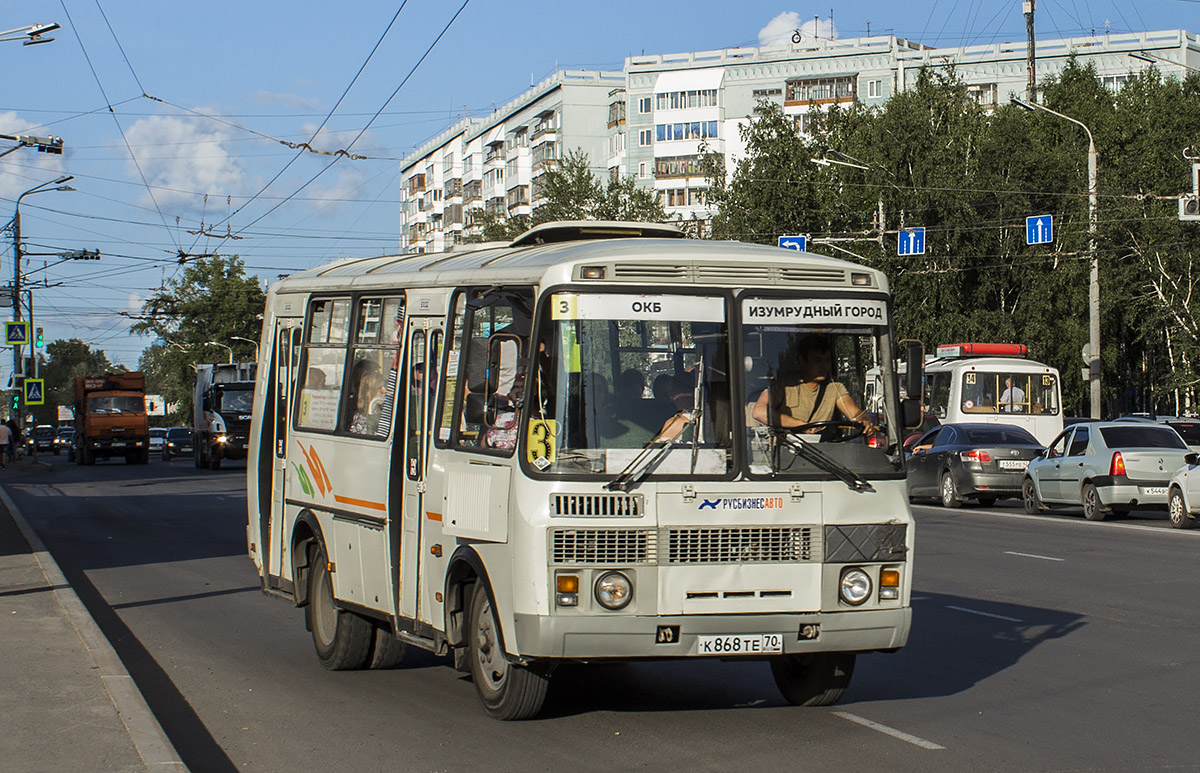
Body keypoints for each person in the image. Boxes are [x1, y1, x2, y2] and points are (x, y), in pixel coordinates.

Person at [751, 333, 874, 436]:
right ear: (802, 361)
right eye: (817, 361)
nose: (824, 366)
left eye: (827, 360)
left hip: (823, 453)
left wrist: (864, 420)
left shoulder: (834, 386)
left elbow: (855, 413)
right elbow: (759, 412)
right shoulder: (785, 383)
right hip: (786, 452)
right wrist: (801, 425)